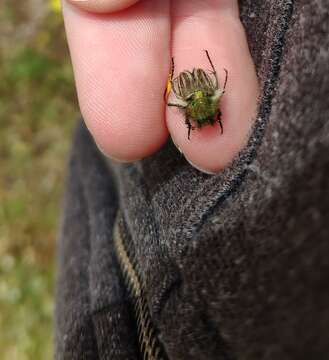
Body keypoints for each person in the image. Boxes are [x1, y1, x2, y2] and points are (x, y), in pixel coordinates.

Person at [55, 1, 329, 359]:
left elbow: (211, 89)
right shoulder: (198, 102)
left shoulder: (199, 102)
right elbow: (209, 90)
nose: (205, 118)